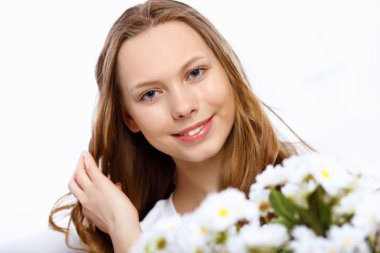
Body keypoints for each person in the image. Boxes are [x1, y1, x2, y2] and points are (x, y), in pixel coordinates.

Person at [49, 0, 312, 252]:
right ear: (130, 119)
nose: (183, 107)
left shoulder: (316, 185)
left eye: (195, 73)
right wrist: (123, 229)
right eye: (150, 94)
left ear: (228, 73)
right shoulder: (140, 236)